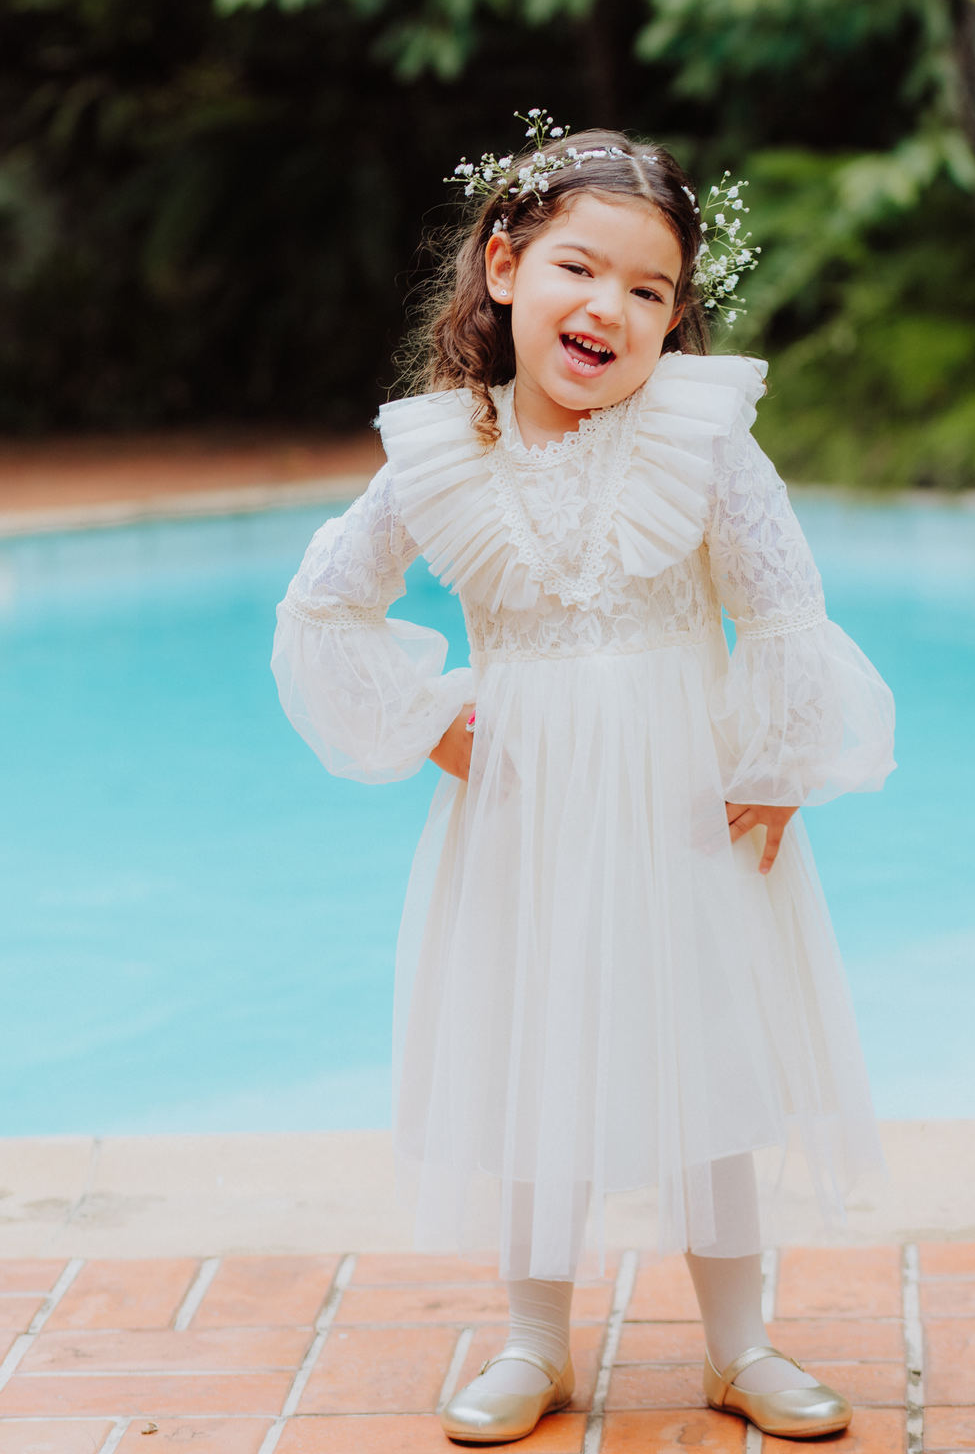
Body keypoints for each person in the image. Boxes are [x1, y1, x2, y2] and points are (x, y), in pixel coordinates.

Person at [271, 112, 896, 1444]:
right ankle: (536, 1342)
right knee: (534, 1048)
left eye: (649, 288)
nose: (609, 304)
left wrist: (779, 761)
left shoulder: (701, 439)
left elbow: (783, 600)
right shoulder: (446, 451)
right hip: (529, 816)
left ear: (676, 320)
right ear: (504, 268)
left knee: (709, 1053)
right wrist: (431, 717)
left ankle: (738, 1343)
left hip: (682, 806)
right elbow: (326, 606)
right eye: (579, 268)